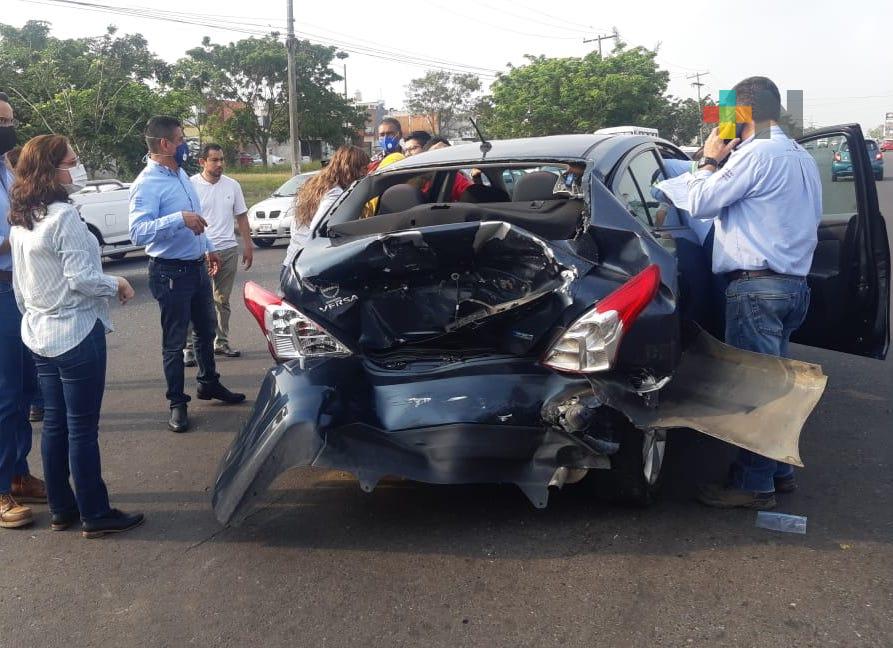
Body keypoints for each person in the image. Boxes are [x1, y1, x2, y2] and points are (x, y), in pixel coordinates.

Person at [669, 77, 822, 510]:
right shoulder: (799, 154)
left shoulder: (757, 154)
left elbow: (699, 203)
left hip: (756, 288)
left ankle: (754, 485)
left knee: (753, 393)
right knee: (775, 387)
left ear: (744, 113)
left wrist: (709, 159)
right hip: (791, 287)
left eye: (728, 112)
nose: (723, 120)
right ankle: (778, 471)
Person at [9, 135, 143, 537]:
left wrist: (37, 317)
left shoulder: (23, 218)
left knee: (55, 424)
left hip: (39, 334)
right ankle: (95, 513)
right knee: (82, 428)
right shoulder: (63, 216)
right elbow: (82, 279)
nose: (78, 166)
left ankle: (62, 508)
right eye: (72, 160)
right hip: (76, 333)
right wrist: (117, 282)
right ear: (51, 169)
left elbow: (20, 288)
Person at [129, 116, 244, 434]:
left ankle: (209, 383)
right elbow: (138, 232)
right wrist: (178, 219)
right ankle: (177, 403)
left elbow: (197, 220)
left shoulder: (180, 175)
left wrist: (209, 248)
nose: (185, 145)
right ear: (165, 144)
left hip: (196, 266)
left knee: (205, 332)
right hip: (170, 271)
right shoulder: (146, 183)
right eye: (180, 140)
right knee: (175, 342)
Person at [0, 92, 46, 529]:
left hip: (20, 289)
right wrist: (22, 234)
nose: (9, 129)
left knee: (24, 391)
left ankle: (18, 473)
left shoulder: (6, 169)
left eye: (10, 120)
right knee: (4, 395)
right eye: (2, 122)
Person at [183, 144, 253, 364]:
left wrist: (248, 245)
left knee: (222, 300)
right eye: (214, 160)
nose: (220, 164)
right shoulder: (191, 185)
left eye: (221, 159)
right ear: (202, 162)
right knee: (194, 300)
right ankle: (189, 348)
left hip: (227, 249)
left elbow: (241, 216)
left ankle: (221, 342)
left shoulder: (232, 185)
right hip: (199, 251)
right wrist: (199, 248)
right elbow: (186, 220)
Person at [282, 145, 370, 277]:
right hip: (307, 269)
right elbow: (318, 230)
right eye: (364, 169)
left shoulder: (316, 186)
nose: (366, 174)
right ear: (351, 169)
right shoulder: (335, 194)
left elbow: (298, 226)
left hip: (292, 262)